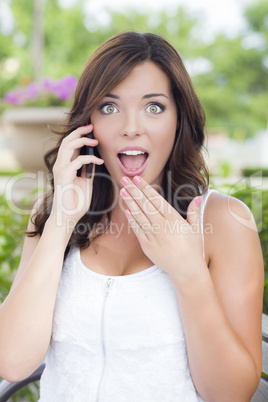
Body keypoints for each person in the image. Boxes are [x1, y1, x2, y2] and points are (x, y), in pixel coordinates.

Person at [0, 32, 264, 401]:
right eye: (109, 107)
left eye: (154, 107)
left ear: (179, 119)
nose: (131, 127)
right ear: (86, 124)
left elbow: (232, 393)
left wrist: (188, 272)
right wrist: (62, 220)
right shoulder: (53, 214)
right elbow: (13, 361)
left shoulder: (225, 223)